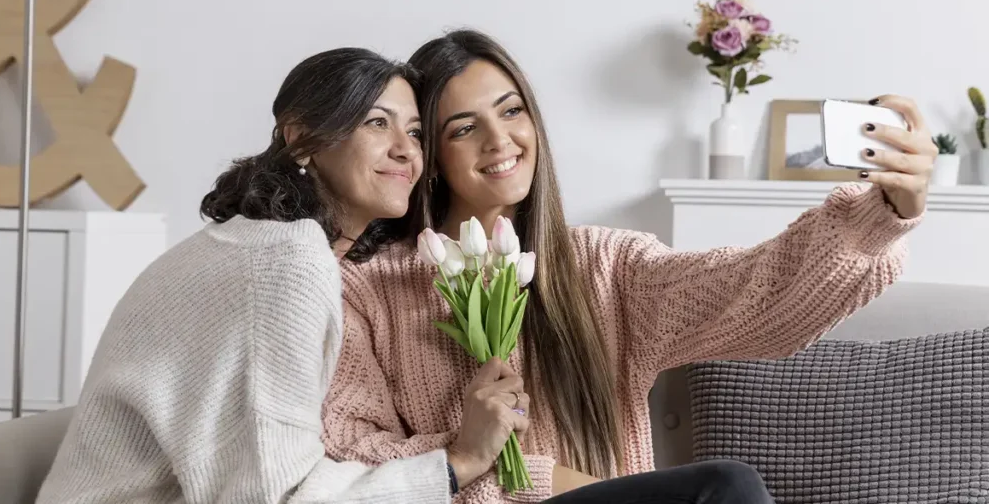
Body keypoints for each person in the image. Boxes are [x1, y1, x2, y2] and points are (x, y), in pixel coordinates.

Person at [322, 29, 936, 503]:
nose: (499, 140)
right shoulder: (366, 290)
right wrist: (469, 453)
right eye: (463, 128)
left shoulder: (606, 267)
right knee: (725, 489)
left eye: (511, 112)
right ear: (430, 155)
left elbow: (756, 288)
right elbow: (348, 453)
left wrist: (882, 212)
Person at [34, 47, 527, 504]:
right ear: (301, 140)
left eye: (416, 132)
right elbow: (276, 496)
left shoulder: (258, 244)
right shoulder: (285, 262)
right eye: (377, 123)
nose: (406, 151)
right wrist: (461, 461)